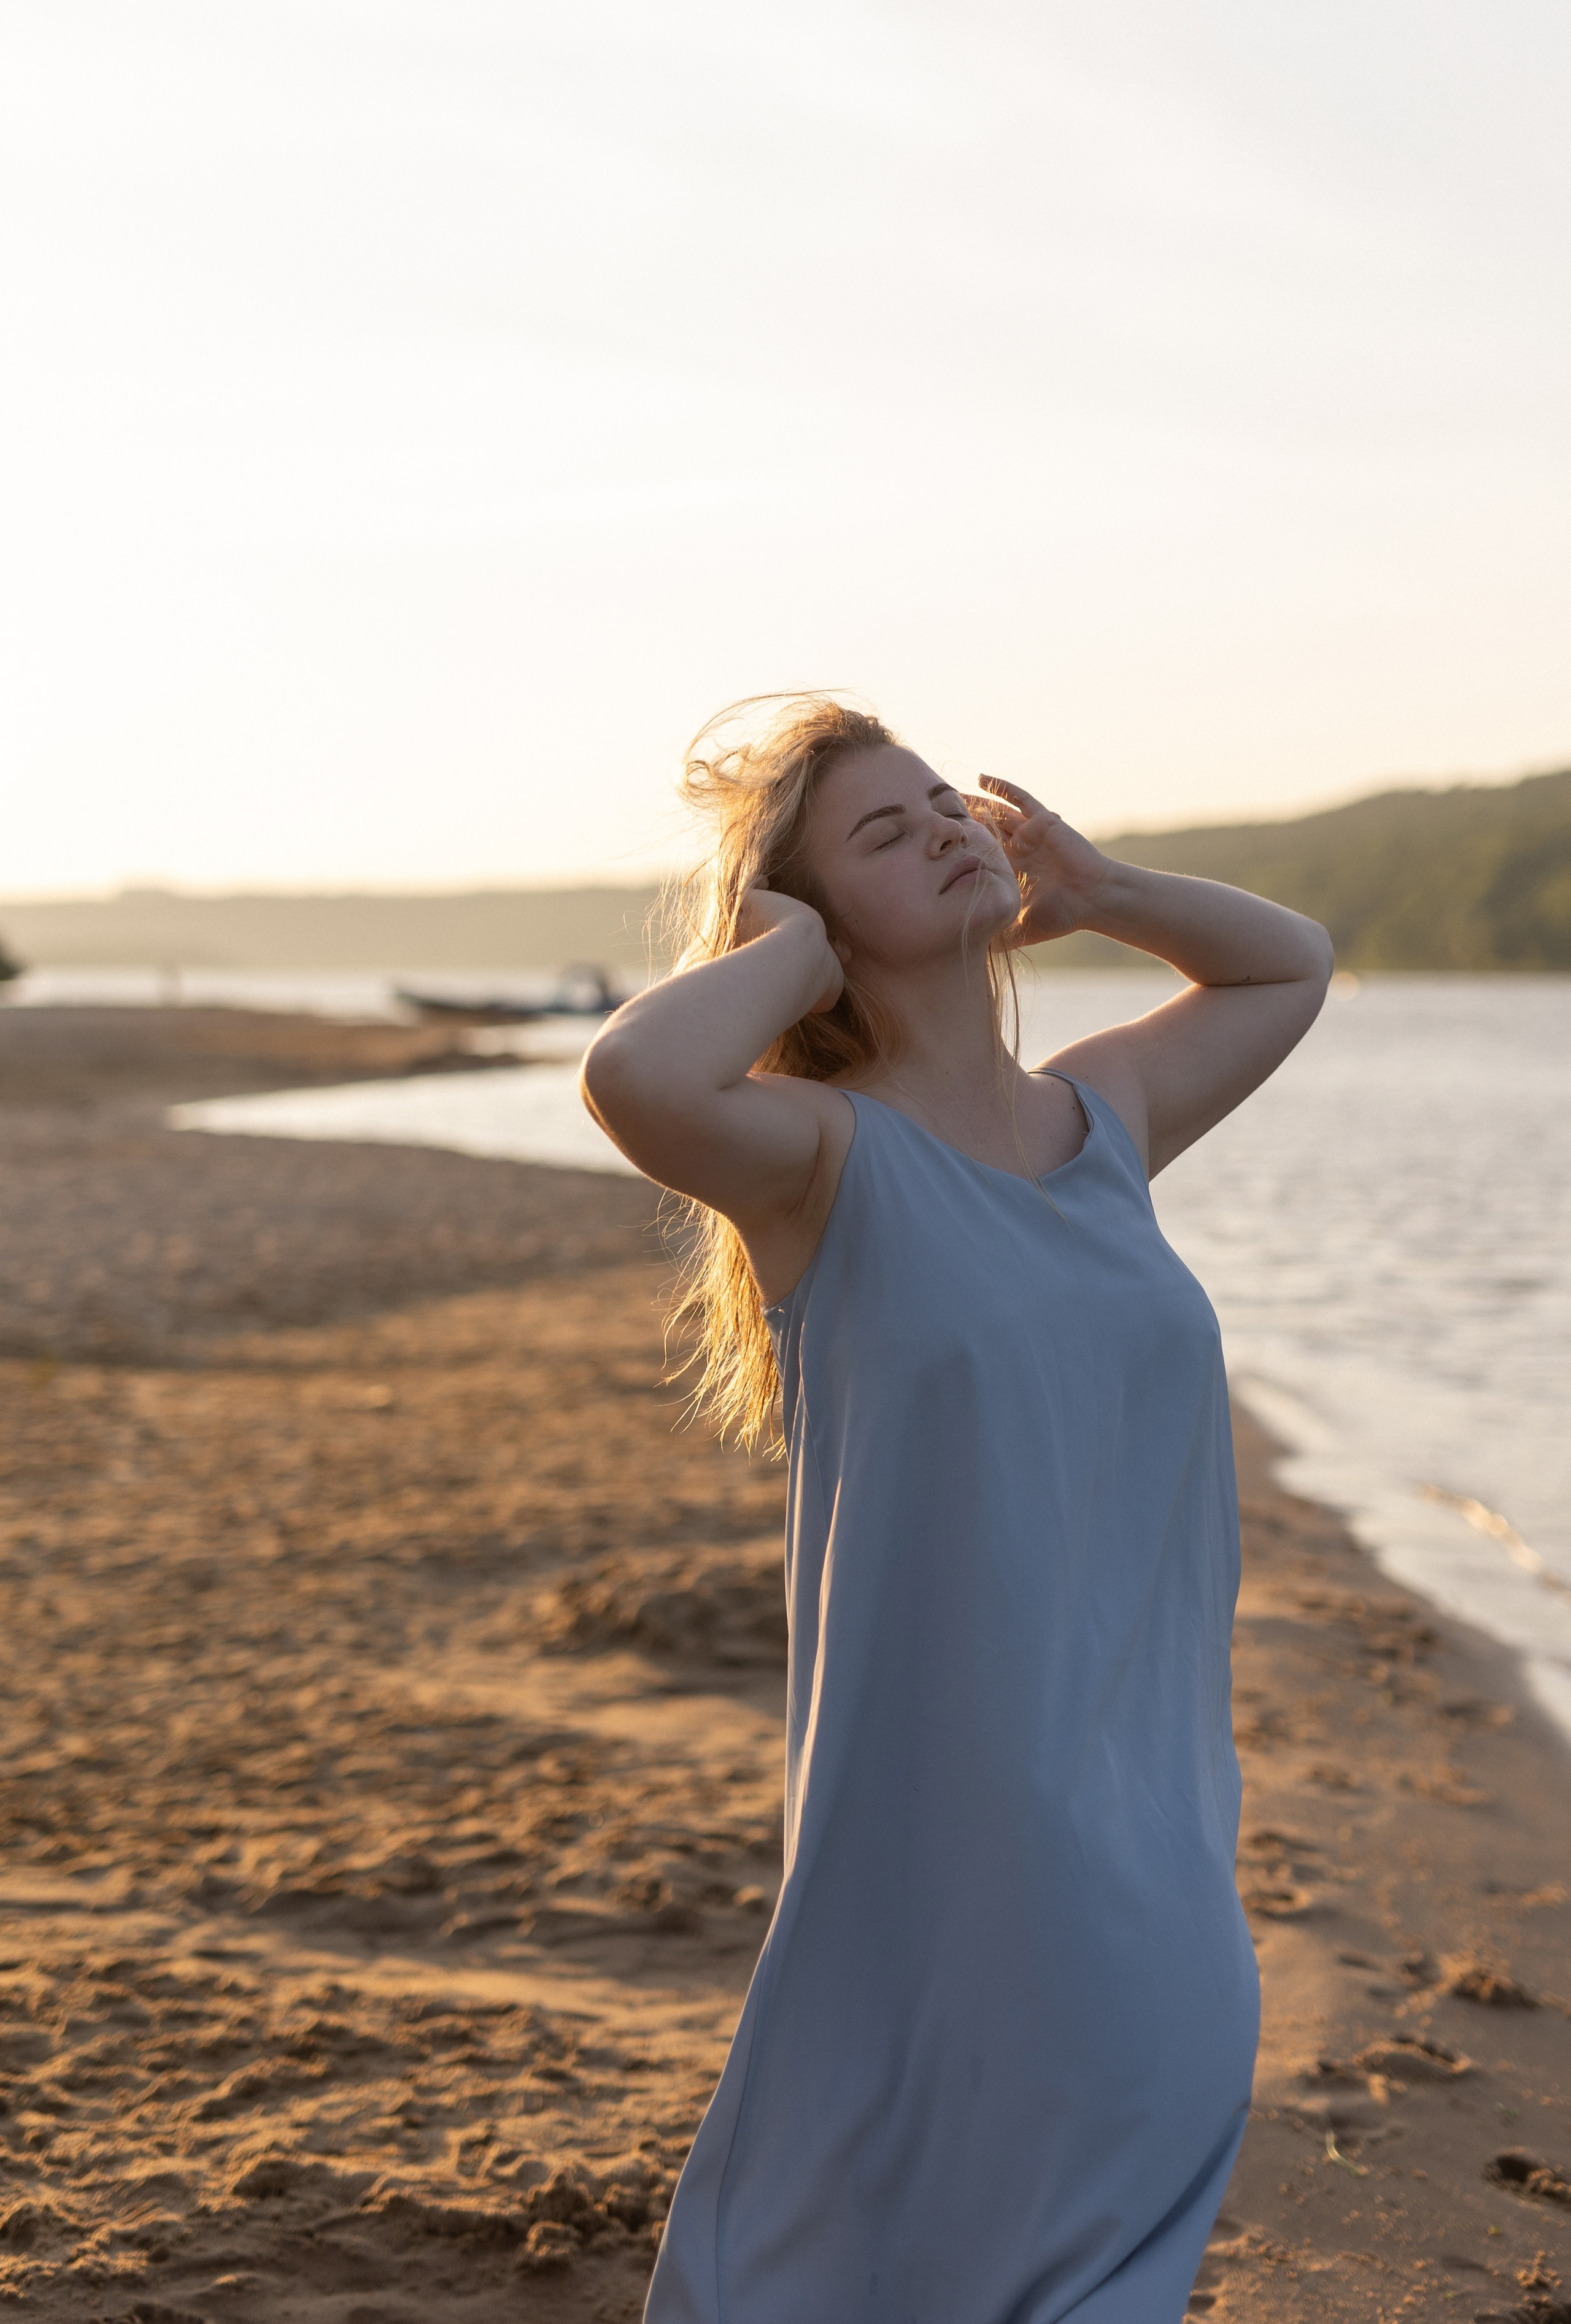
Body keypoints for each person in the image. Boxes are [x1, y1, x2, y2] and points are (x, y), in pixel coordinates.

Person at [579, 696, 1334, 2324]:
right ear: (820, 919)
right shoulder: (818, 1159)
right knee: (918, 2218)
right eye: (883, 829)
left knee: (1131, 2154)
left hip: (1156, 1801)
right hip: (952, 1820)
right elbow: (635, 1069)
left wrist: (1098, 880)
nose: (940, 823)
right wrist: (786, 955)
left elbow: (1292, 962)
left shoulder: (1104, 1120)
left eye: (942, 800)